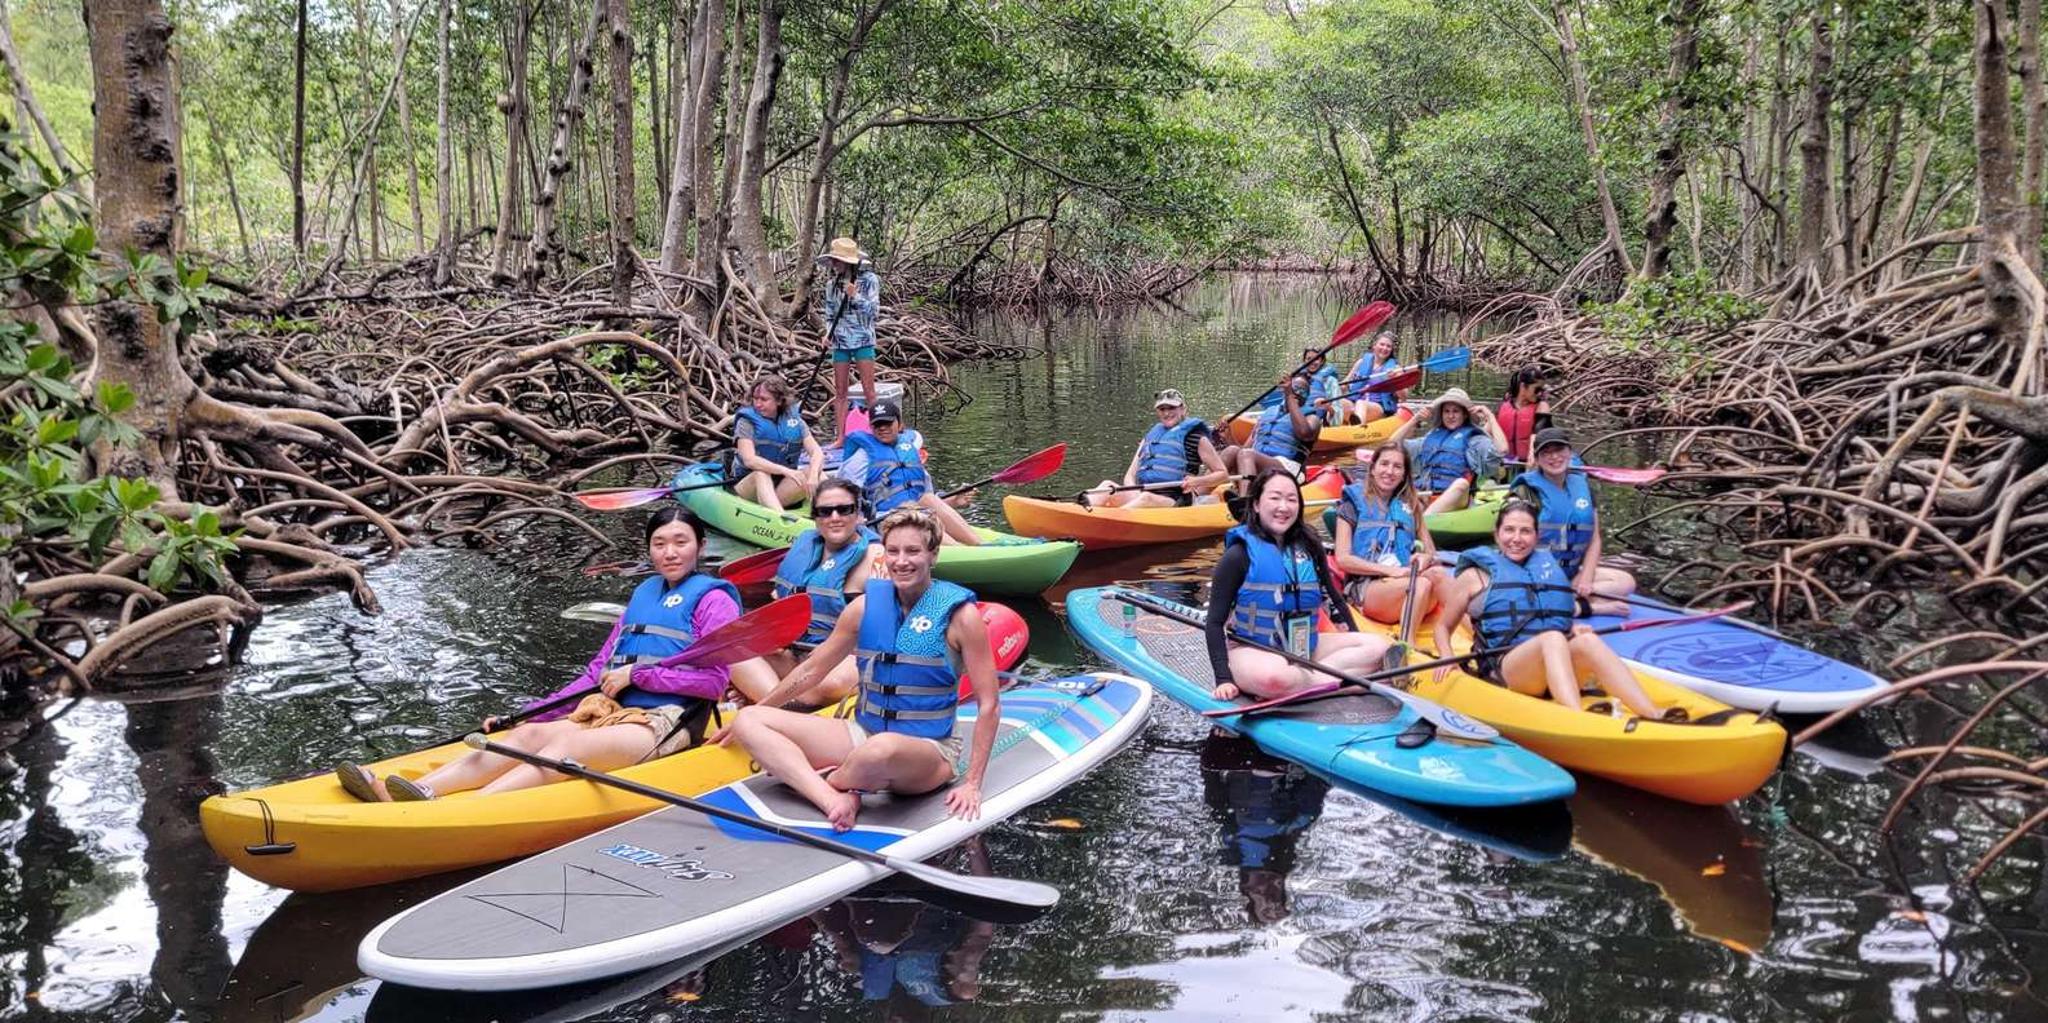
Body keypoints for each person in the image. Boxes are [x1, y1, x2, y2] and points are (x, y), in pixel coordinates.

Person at [333, 507, 737, 801]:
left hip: (668, 722)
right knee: (526, 736)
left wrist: (640, 677)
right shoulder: (643, 594)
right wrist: (527, 713)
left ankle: (470, 810)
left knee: (567, 751)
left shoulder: (713, 600)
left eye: (680, 542)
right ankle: (417, 790)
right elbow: (597, 674)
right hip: (612, 712)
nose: (669, 553)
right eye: (659, 543)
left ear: (700, 546)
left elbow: (714, 683)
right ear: (649, 549)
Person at [722, 507, 1000, 832]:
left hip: (927, 750)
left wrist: (972, 783)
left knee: (879, 750)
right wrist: (761, 708)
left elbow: (989, 704)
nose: (901, 561)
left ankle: (838, 779)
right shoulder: (864, 608)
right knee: (749, 719)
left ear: (933, 555)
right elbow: (813, 668)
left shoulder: (961, 617)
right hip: (863, 733)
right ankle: (832, 797)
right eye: (893, 551)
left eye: (913, 551)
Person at [1431, 501, 1676, 719]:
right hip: (1507, 668)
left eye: (1525, 531)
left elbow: (1553, 616)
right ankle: (1575, 718)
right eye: (1509, 530)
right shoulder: (1475, 576)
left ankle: (1652, 713)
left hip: (1551, 663)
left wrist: (1574, 631)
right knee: (1552, 638)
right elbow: (1443, 627)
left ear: (1536, 537)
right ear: (1497, 535)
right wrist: (1446, 656)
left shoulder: (1545, 569)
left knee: (1588, 641)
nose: (1516, 538)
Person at [1205, 469, 1393, 701]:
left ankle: (1303, 686)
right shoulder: (1238, 555)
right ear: (1255, 504)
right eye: (1275, 498)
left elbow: (1336, 600)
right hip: (1253, 649)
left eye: (1291, 499)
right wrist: (1223, 678)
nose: (1283, 507)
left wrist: (1356, 640)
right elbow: (1214, 622)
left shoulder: (1310, 547)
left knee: (1378, 646)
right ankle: (1351, 684)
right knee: (1275, 678)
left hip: (1304, 647)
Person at [737, 477, 883, 706]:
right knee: (731, 653)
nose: (834, 518)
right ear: (815, 518)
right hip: (796, 653)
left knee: (830, 684)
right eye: (825, 512)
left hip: (845, 659)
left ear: (859, 514)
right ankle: (782, 702)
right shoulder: (805, 544)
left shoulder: (877, 558)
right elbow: (780, 603)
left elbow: (886, 629)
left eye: (844, 510)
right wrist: (773, 638)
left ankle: (769, 700)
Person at [1510, 427, 1635, 616]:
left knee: (1626, 582)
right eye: (1546, 453)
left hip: (1570, 573)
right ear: (1537, 459)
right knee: (1528, 596)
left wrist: (1586, 577)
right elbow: (1513, 543)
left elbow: (1594, 539)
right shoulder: (1526, 493)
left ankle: (1565, 599)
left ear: (1569, 452)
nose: (1554, 457)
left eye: (1559, 450)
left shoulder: (1582, 486)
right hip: (1535, 574)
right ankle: (1589, 607)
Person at [1332, 442, 1455, 624]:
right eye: (1384, 464)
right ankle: (1408, 645)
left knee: (1437, 574)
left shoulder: (1411, 506)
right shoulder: (1351, 505)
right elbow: (1343, 559)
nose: (1389, 472)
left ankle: (1480, 633)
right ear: (1373, 469)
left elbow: (1430, 552)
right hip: (1368, 587)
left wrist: (1424, 558)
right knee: (1420, 584)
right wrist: (1390, 571)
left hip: (1406, 583)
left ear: (1404, 474)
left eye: (1397, 467)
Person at [838, 400, 982, 546]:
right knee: (913, 513)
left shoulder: (908, 453)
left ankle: (979, 545)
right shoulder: (860, 459)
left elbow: (925, 500)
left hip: (919, 515)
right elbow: (842, 497)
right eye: (877, 424)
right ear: (871, 427)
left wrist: (954, 501)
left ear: (899, 424)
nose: (882, 428)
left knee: (928, 499)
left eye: (888, 423)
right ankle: (962, 551)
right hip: (885, 520)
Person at [1084, 388, 1231, 508]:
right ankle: (1082, 512)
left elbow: (1222, 474)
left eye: (1171, 407)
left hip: (1175, 499)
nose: (1166, 413)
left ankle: (1109, 522)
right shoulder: (1150, 437)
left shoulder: (1197, 438)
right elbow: (1130, 475)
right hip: (1142, 494)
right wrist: (1132, 489)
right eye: (1162, 409)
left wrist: (1196, 482)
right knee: (1107, 485)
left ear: (1183, 409)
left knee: (1146, 498)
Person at [1386, 386, 1506, 514]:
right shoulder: (1430, 438)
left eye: (1456, 411)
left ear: (1465, 415)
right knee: (1400, 481)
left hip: (1455, 497)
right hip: (1425, 494)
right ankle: (1416, 518)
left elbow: (1502, 450)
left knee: (1461, 484)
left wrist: (1490, 417)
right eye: (1447, 411)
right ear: (1441, 414)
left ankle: (1424, 522)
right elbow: (1391, 445)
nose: (1450, 416)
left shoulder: (1474, 440)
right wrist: (1414, 420)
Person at [818, 236, 880, 445]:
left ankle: (877, 431)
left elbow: (874, 312)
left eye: (837, 261)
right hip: (840, 343)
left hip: (863, 340)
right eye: (833, 260)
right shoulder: (831, 285)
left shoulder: (870, 280)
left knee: (869, 391)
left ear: (848, 262)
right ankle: (841, 437)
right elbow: (829, 315)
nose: (834, 264)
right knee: (840, 392)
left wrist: (855, 296)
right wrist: (827, 333)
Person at [731, 373, 825, 512]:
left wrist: (812, 476)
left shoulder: (794, 421)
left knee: (817, 472)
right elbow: (749, 460)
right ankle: (781, 519)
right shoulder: (746, 422)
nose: (757, 404)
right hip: (748, 486)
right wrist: (785, 471)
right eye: (755, 399)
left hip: (779, 488)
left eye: (764, 399)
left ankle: (830, 510)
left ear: (779, 401)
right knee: (761, 473)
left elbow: (817, 452)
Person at [1219, 374, 1321, 494]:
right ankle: (1196, 493)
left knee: (1248, 455)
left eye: (1303, 391)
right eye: (1295, 388)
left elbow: (1304, 433)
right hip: (1257, 463)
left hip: (1287, 468)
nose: (1298, 393)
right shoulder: (1268, 414)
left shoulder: (1312, 418)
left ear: (1307, 396)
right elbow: (1244, 450)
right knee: (1232, 450)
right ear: (1285, 388)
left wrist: (1290, 397)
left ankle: (1245, 501)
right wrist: (1228, 437)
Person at [1341, 332, 1405, 425]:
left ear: (1391, 350)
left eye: (1388, 346)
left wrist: (1395, 380)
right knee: (1338, 403)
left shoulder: (1396, 369)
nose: (1384, 348)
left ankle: (1358, 431)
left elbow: (1404, 396)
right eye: (1382, 344)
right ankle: (1326, 430)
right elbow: (1345, 385)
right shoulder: (1361, 362)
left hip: (1378, 407)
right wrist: (1332, 387)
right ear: (1374, 346)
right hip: (1354, 403)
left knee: (1361, 403)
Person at [1496, 365, 1553, 462]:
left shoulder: (1542, 406)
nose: (1540, 394)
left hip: (1529, 460)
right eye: (1537, 389)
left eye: (1542, 390)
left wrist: (1532, 453)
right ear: (1523, 386)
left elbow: (1538, 432)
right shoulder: (1504, 406)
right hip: (1506, 460)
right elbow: (1488, 430)